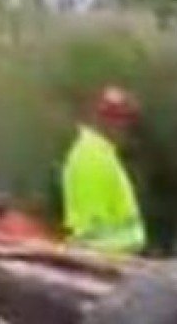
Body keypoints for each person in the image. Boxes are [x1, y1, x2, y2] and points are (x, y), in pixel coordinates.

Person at [60, 87, 148, 252]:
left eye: (126, 119)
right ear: (99, 119)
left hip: (118, 265)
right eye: (117, 118)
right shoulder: (91, 157)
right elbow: (93, 238)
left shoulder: (103, 153)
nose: (124, 126)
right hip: (106, 269)